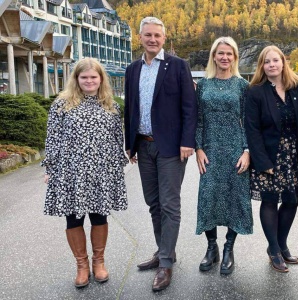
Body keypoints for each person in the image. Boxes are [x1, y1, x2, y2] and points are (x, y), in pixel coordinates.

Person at [124, 17, 197, 292]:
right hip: (143, 146)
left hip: (171, 147)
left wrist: (187, 141)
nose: (152, 39)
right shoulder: (132, 69)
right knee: (153, 202)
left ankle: (165, 262)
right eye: (147, 35)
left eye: (157, 35)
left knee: (169, 204)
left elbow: (190, 107)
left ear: (164, 39)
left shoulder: (178, 66)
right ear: (140, 38)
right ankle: (164, 250)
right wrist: (130, 144)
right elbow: (130, 108)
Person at [41, 57, 128, 288]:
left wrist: (119, 166)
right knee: (74, 218)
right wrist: (51, 167)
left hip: (101, 172)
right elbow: (53, 139)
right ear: (76, 79)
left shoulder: (111, 105)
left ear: (101, 79)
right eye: (84, 77)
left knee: (100, 216)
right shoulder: (61, 105)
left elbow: (116, 139)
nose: (89, 81)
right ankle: (81, 265)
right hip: (71, 172)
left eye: (93, 77)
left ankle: (99, 262)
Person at [245, 46, 298, 273]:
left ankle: (282, 243)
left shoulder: (297, 87)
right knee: (271, 200)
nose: (272, 64)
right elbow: (252, 130)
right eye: (267, 62)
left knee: (293, 200)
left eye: (276, 60)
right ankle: (273, 249)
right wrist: (263, 162)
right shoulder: (255, 92)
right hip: (270, 156)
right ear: (262, 66)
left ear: (283, 62)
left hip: (293, 155)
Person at [195, 37, 253, 275]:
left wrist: (247, 151)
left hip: (235, 151)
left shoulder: (242, 85)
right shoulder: (203, 85)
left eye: (229, 54)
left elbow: (249, 122)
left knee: (234, 199)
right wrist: (198, 148)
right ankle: (212, 247)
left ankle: (229, 247)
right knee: (208, 198)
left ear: (235, 57)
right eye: (221, 53)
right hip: (209, 150)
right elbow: (198, 120)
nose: (225, 58)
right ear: (214, 56)